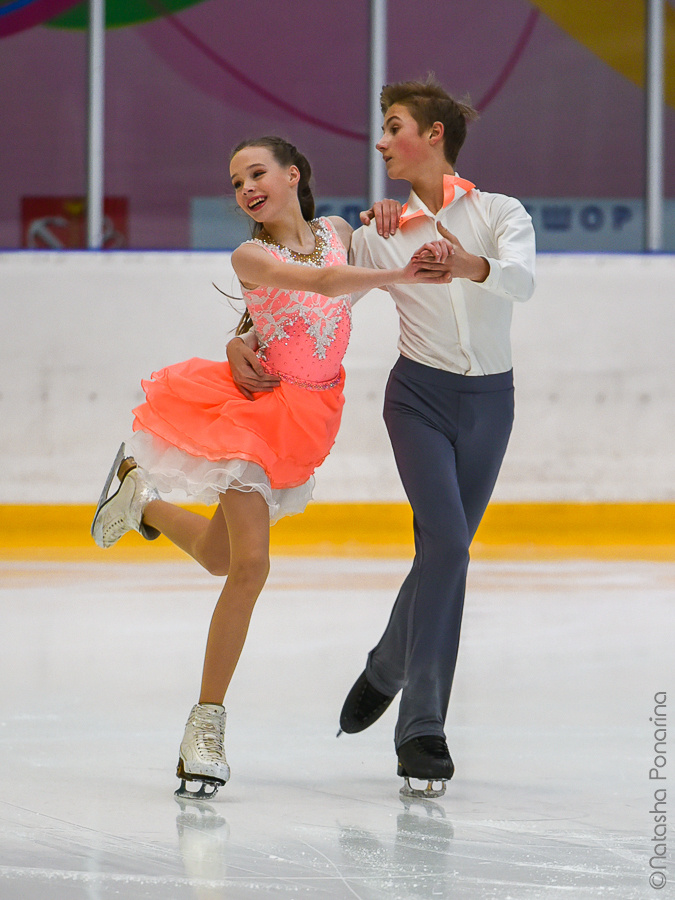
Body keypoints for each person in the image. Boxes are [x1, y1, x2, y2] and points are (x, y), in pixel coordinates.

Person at [90, 135, 449, 799]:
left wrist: (390, 217)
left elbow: (328, 298)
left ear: (293, 175)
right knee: (251, 567)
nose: (246, 188)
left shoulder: (339, 232)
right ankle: (204, 730)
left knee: (220, 557)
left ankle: (140, 500)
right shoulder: (250, 255)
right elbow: (320, 285)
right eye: (236, 182)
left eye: (256, 173)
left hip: (310, 418)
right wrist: (399, 275)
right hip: (252, 414)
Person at [226, 80, 536, 798]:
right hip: (418, 401)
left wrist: (467, 264)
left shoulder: (499, 213)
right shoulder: (377, 232)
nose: (380, 140)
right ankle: (422, 729)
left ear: (432, 135)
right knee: (449, 546)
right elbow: (304, 301)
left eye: (393, 126)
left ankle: (388, 664)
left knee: (443, 552)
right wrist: (239, 339)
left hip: (492, 405)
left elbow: (521, 283)